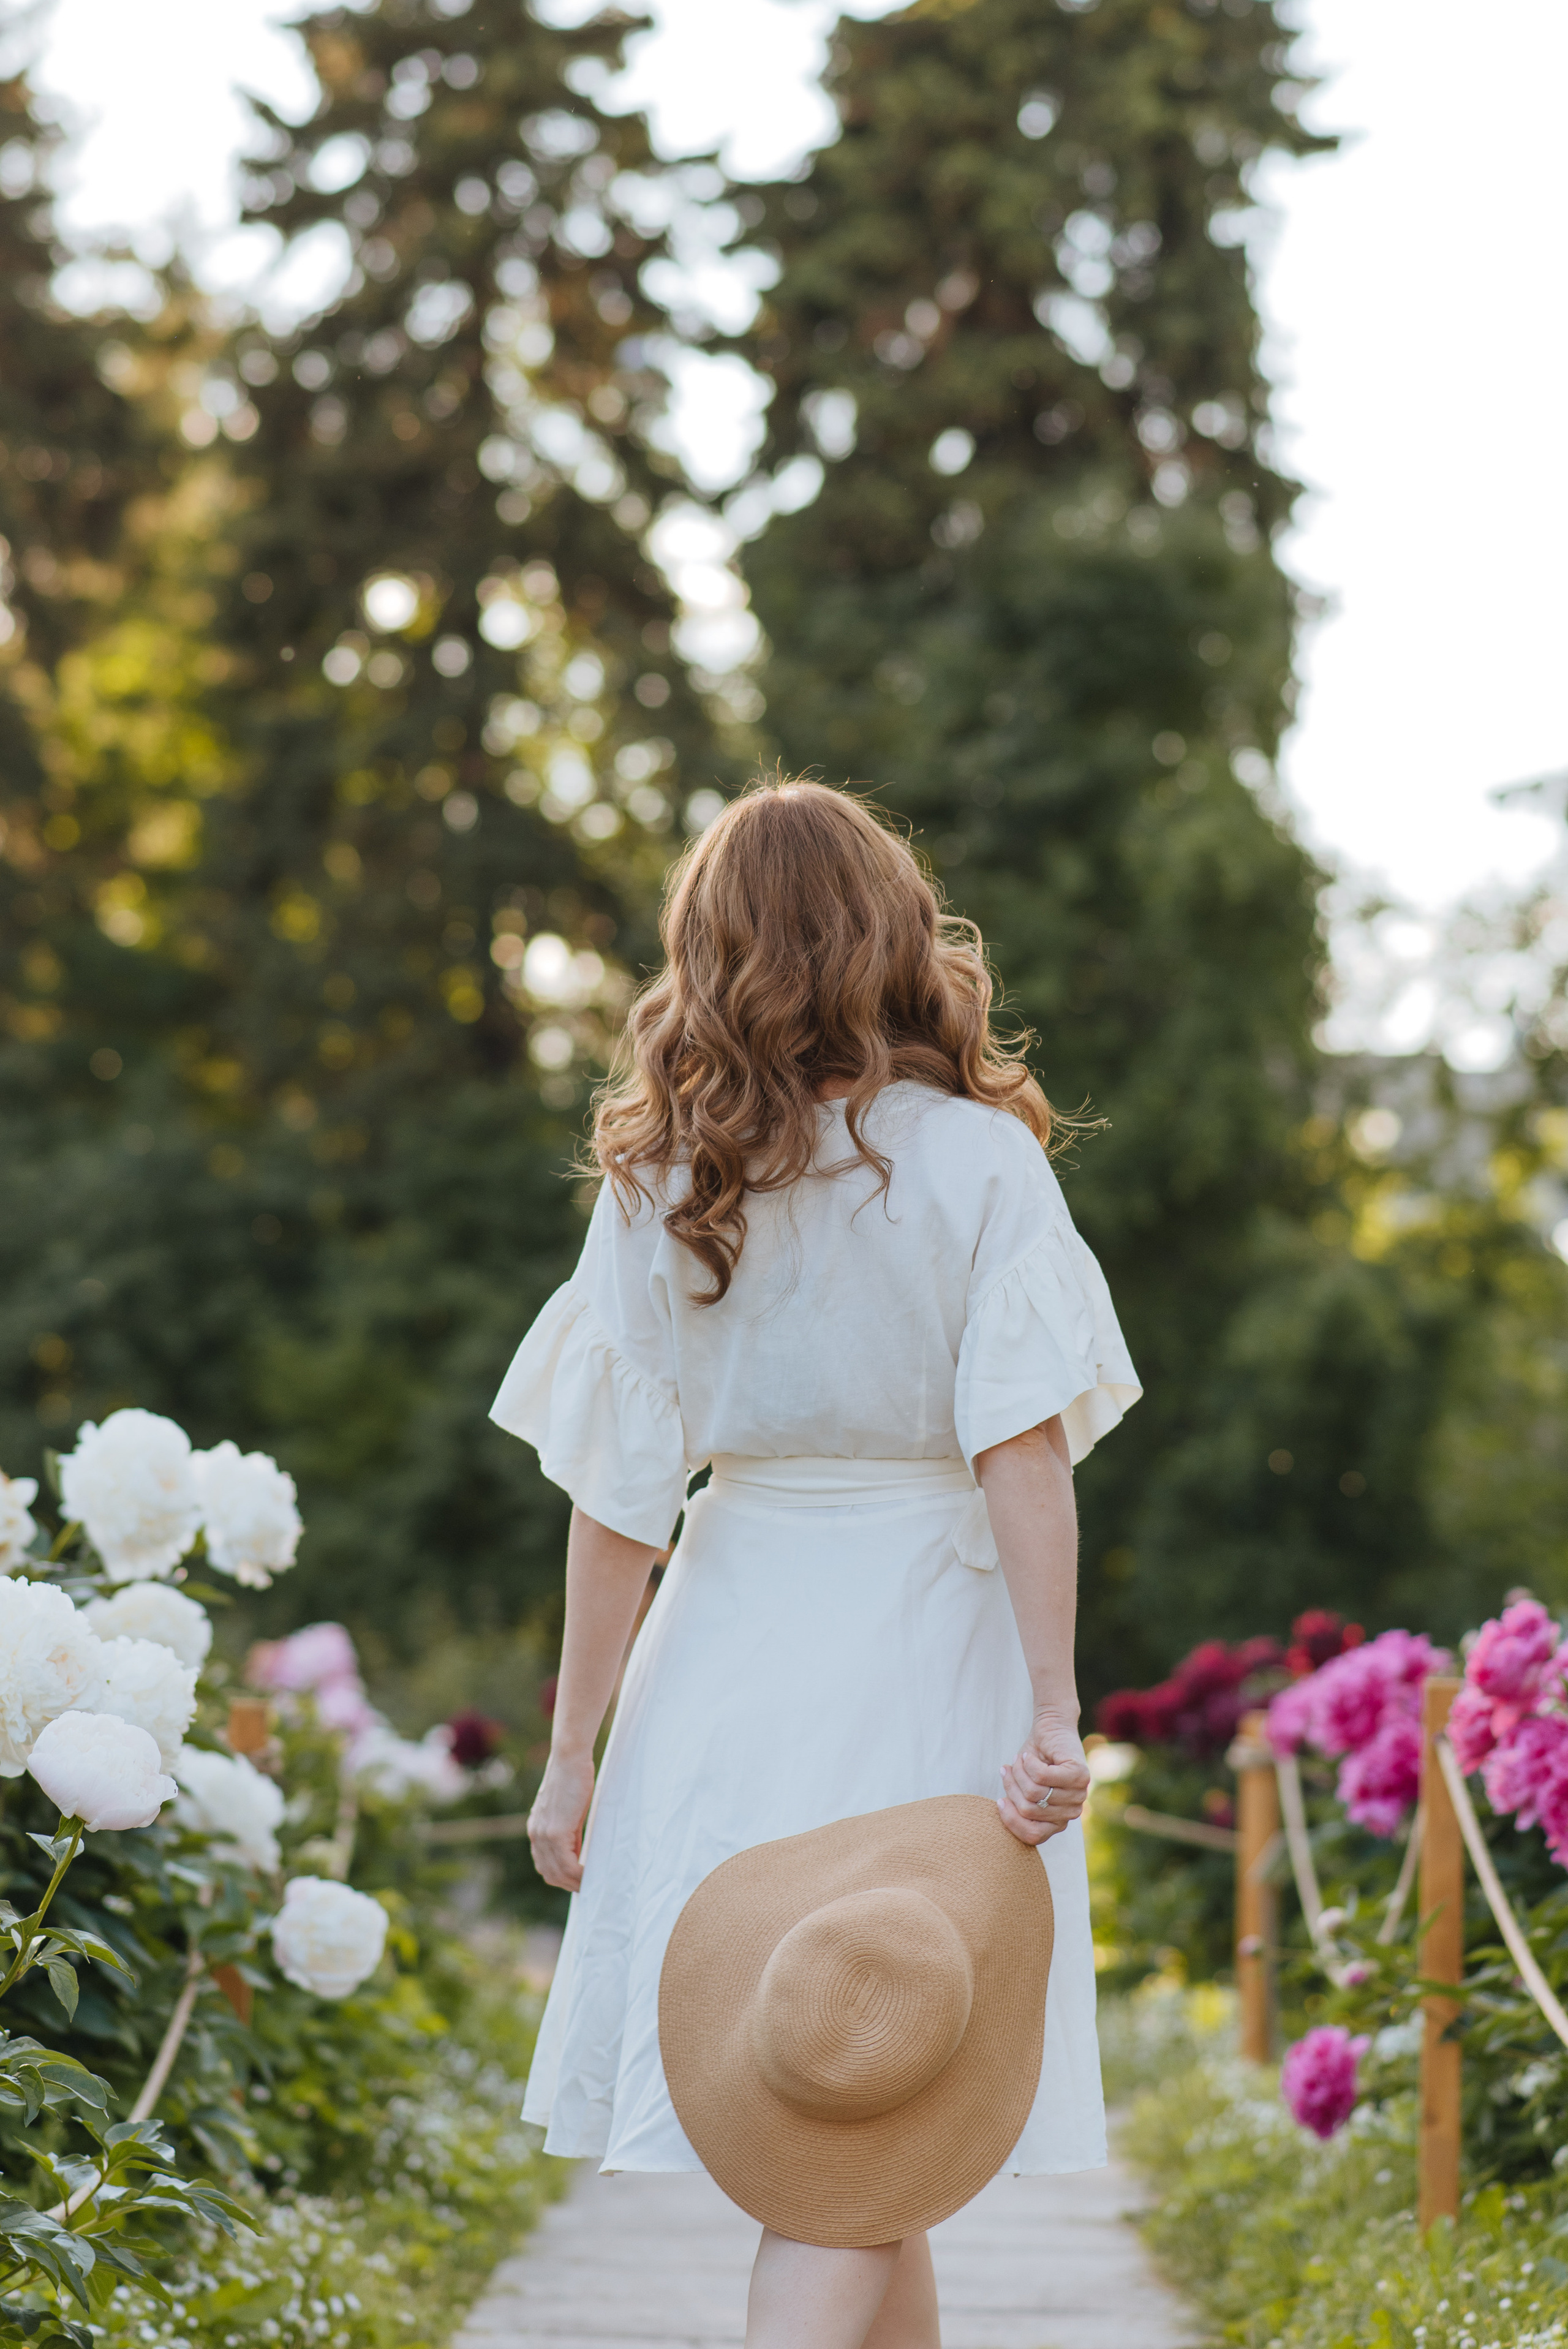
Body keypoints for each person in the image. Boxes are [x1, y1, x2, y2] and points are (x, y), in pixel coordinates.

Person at [491, 779, 1140, 2349]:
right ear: (894, 936)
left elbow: (617, 1505)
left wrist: (572, 1753)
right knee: (860, 2088)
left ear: (706, 950)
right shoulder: (981, 1167)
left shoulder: (659, 1185)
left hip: (729, 1645)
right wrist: (1052, 1707)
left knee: (866, 2107)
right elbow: (1020, 1456)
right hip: (927, 1638)